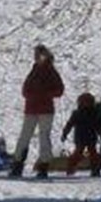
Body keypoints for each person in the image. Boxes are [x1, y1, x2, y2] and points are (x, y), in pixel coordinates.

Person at [9, 44, 65, 178]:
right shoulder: (34, 69)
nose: (36, 57)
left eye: (39, 54)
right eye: (35, 55)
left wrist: (43, 94)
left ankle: (43, 166)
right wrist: (30, 95)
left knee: (43, 137)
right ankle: (18, 164)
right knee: (25, 136)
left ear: (45, 55)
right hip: (32, 109)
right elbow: (25, 89)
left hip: (44, 109)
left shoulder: (50, 71)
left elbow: (59, 90)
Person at [61, 93, 101, 176]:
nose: (86, 104)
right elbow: (69, 124)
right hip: (81, 137)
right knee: (79, 153)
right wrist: (65, 133)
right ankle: (71, 168)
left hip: (90, 137)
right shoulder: (77, 113)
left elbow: (99, 125)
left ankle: (95, 169)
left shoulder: (94, 113)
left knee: (92, 153)